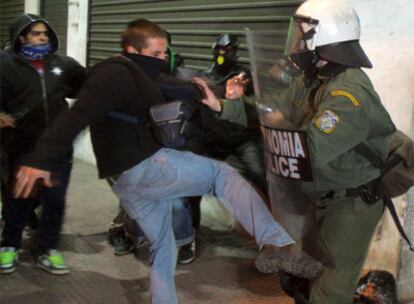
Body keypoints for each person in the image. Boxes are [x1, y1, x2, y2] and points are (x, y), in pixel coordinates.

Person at [11, 18, 322, 304]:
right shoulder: (112, 74)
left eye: (163, 53)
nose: (162, 59)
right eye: (156, 53)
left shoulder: (138, 75)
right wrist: (40, 159)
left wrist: (217, 90)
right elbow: (76, 116)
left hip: (129, 184)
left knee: (164, 246)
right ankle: (279, 244)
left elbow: (172, 87)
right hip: (142, 166)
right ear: (132, 50)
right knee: (221, 176)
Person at [248, 0, 397, 303]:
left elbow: (309, 150)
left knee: (330, 287)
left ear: (325, 39)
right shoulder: (312, 79)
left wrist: (280, 126)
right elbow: (276, 111)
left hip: (352, 202)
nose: (297, 42)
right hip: (321, 195)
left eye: (303, 35)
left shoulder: (348, 96)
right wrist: (226, 106)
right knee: (304, 276)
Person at [0, 14, 86, 275]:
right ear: (21, 37)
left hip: (57, 148)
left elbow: (85, 88)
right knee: (19, 199)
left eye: (45, 33)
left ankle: (48, 249)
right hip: (21, 145)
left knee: (55, 200)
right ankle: (9, 245)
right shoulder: (5, 65)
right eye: (35, 33)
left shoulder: (65, 65)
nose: (42, 37)